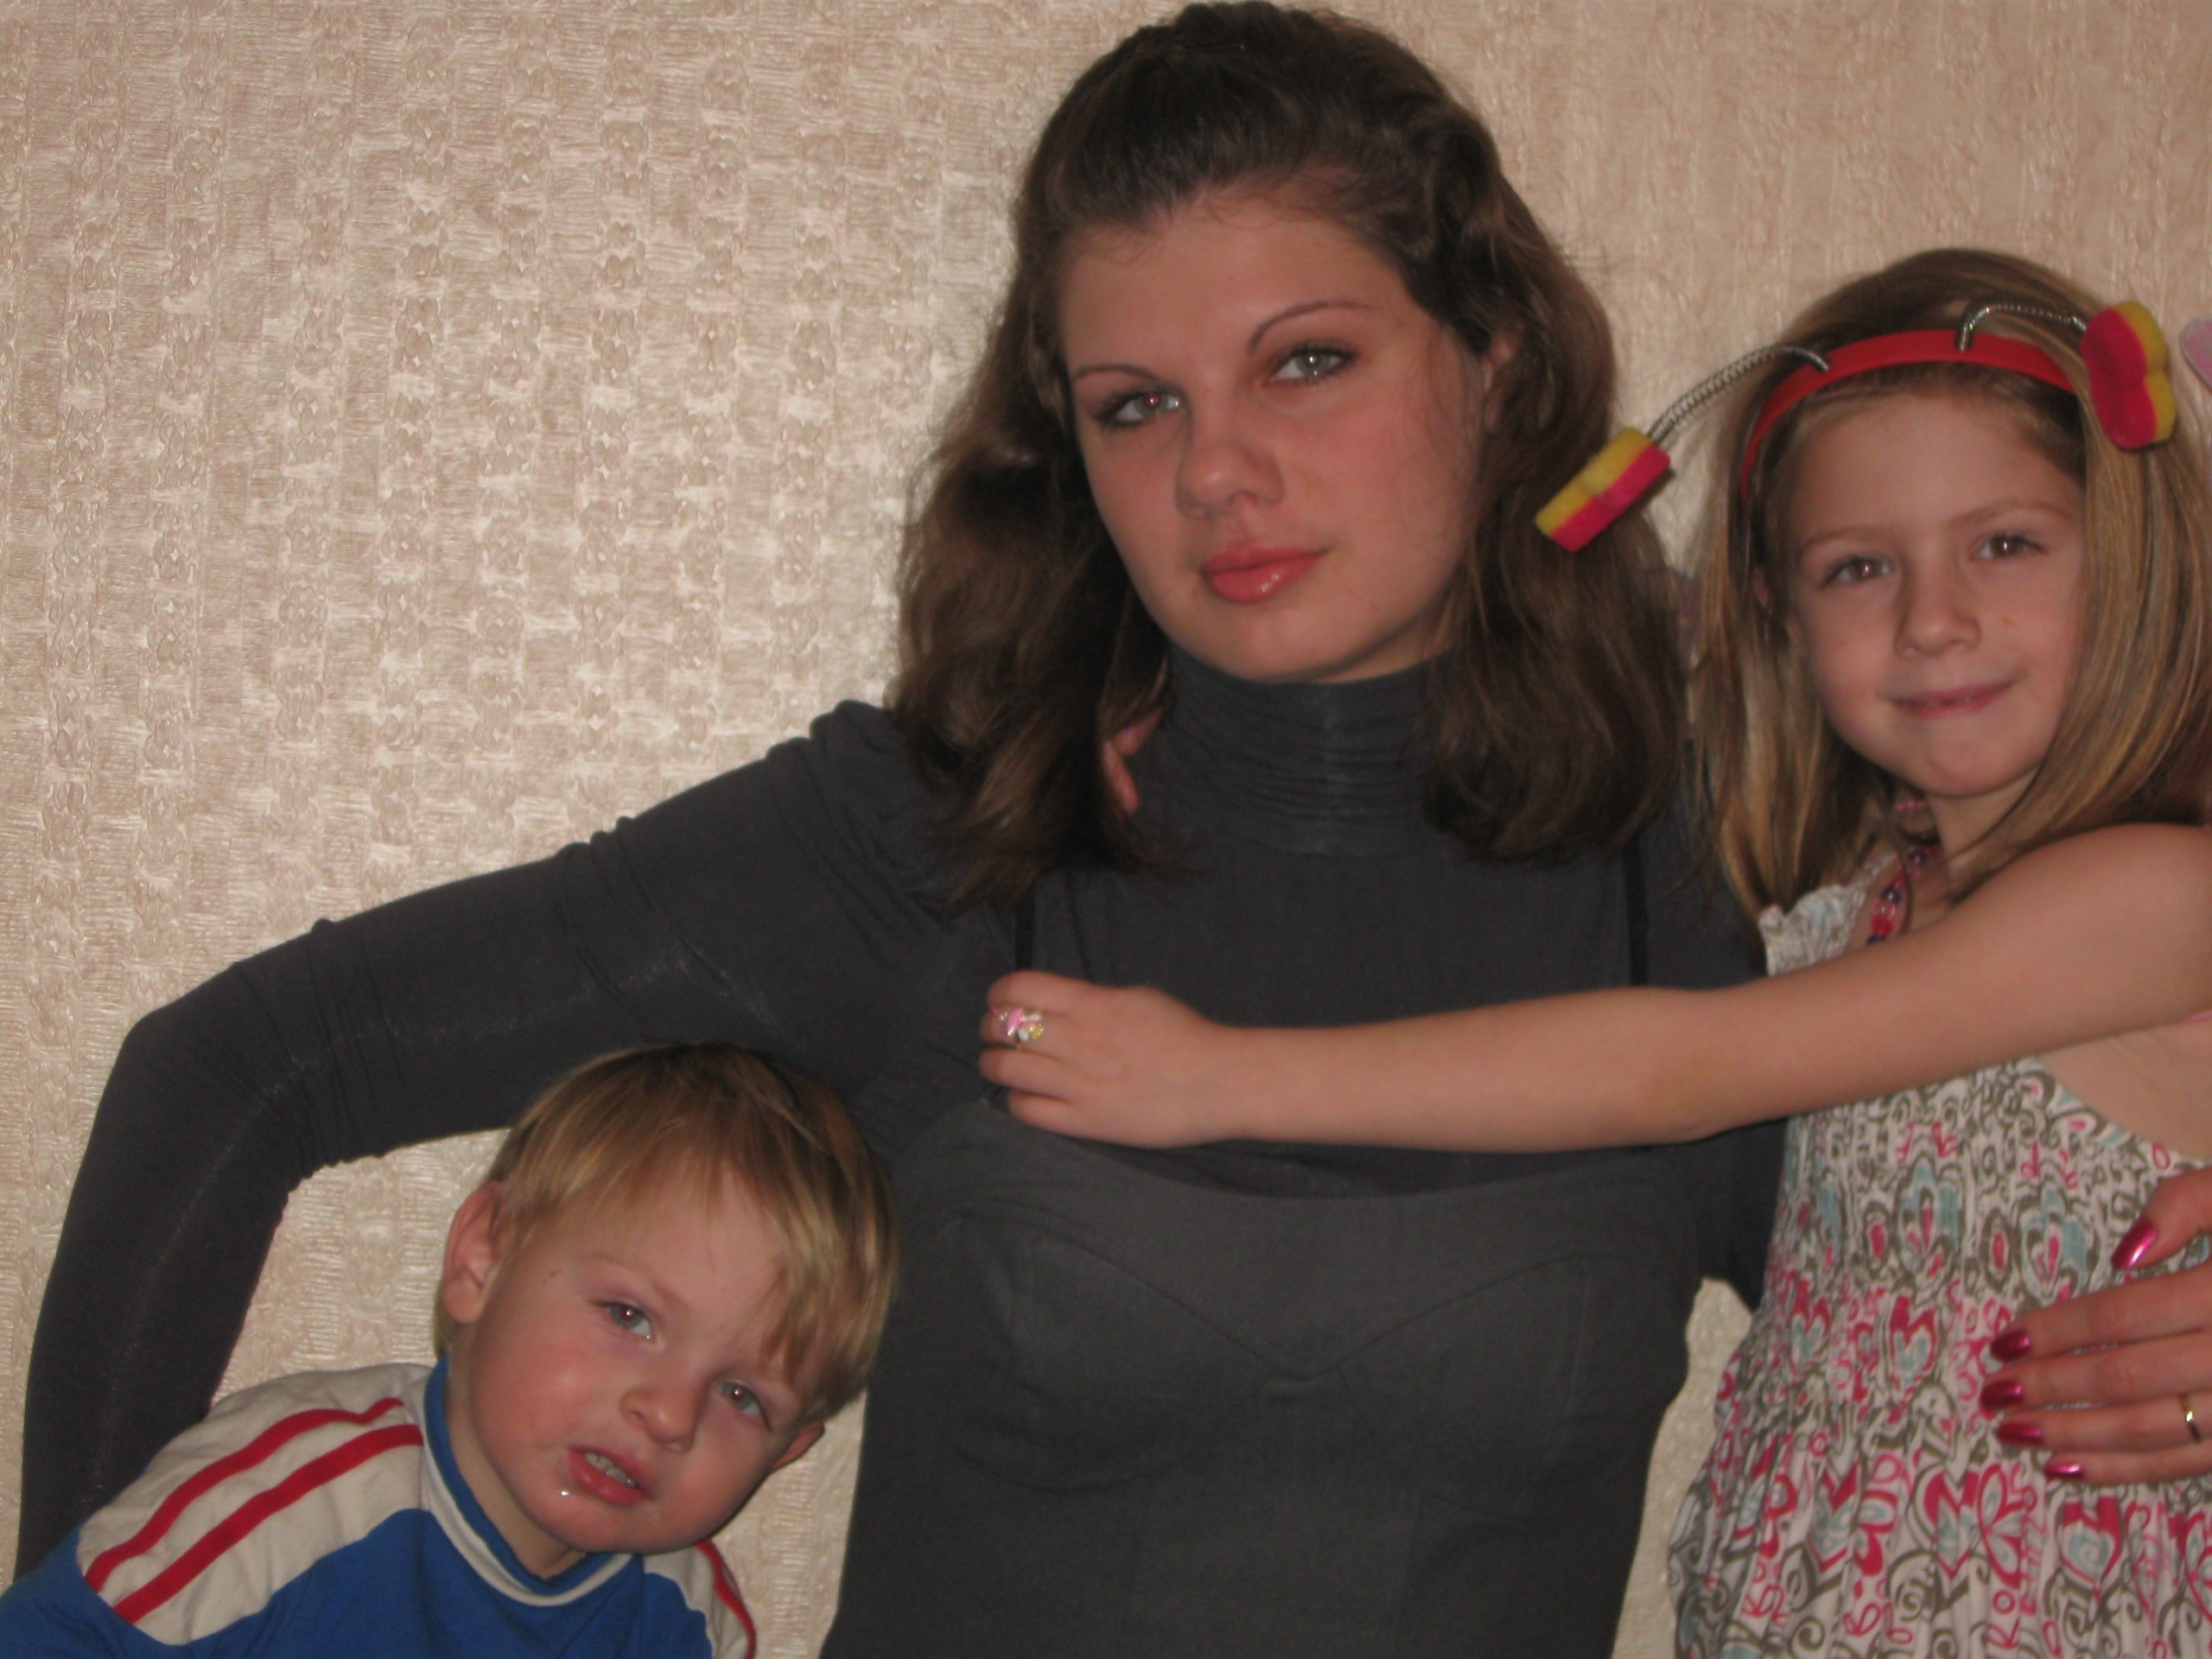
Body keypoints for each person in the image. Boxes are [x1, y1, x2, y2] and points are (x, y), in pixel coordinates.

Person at [19, 8, 2212, 1654]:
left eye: (1305, 363)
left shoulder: (1695, 875)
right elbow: (246, 1068)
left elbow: (1982, 1249)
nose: (1216, 476)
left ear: (1489, 359)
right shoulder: (937, 837)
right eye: (1134, 404)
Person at [979, 248, 2212, 1651]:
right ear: (1779, 611)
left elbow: (1680, 1069)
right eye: (1858, 566)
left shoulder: (2146, 899)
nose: (1934, 620)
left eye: (2007, 544)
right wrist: (1161, 678)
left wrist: (1216, 1078)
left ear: (2132, 555)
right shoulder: (1862, 900)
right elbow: (1561, 665)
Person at [0, 1044, 897, 1657]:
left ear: (786, 1453)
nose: (668, 1415)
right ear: (482, 1258)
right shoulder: (287, 1500)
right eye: (629, 1317)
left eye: (742, 1397)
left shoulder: (688, 1623)